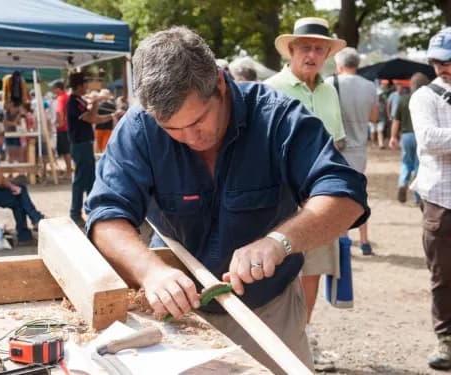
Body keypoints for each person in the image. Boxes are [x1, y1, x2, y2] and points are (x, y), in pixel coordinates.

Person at [84, 26, 369, 374]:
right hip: (178, 310)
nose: (190, 138)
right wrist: (150, 271)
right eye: (172, 129)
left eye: (198, 121)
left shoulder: (277, 117)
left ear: (220, 83)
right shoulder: (140, 127)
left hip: (269, 309)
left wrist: (279, 241)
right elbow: (105, 216)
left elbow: (345, 195)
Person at [264, 16, 347, 371]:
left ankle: (303, 334)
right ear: (292, 51)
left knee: (313, 270)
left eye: (319, 48)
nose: (312, 54)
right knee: (275, 269)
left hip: (318, 200)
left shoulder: (330, 91)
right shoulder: (270, 89)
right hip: (279, 199)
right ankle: (269, 340)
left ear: (327, 53)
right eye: (306, 47)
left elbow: (338, 143)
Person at [408, 27, 451, 371]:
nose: (442, 67)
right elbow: (430, 139)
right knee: (443, 276)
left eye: (449, 61)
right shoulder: (426, 96)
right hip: (441, 201)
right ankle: (447, 340)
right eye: (437, 61)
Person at [326, 47, 378, 256]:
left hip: (338, 148)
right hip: (360, 149)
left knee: (337, 195)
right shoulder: (369, 86)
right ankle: (364, 241)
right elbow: (374, 118)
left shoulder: (329, 84)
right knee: (359, 194)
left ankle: (343, 240)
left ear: (339, 65)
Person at [66, 72, 118, 226]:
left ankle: (93, 210)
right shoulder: (73, 102)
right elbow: (90, 117)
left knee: (90, 180)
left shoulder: (79, 101)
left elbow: (94, 119)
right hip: (80, 145)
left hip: (85, 144)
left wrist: (112, 115)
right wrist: (95, 103)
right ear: (79, 86)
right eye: (85, 84)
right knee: (81, 180)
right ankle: (75, 213)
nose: (87, 87)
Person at [389, 72, 430, 204]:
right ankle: (418, 196)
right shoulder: (428, 99)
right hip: (421, 136)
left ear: (411, 85)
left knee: (406, 162)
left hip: (406, 136)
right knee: (420, 165)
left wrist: (393, 137)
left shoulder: (403, 99)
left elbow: (396, 121)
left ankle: (402, 183)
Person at [50, 80, 72, 179]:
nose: (52, 90)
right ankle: (68, 171)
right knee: (66, 151)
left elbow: (60, 112)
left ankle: (68, 172)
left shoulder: (61, 98)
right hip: (68, 127)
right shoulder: (67, 97)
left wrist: (59, 124)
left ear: (58, 89)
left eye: (53, 88)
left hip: (63, 128)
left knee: (65, 151)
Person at [95, 89, 117, 153]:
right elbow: (114, 118)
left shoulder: (98, 106)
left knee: (99, 148)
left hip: (99, 128)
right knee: (105, 148)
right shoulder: (112, 106)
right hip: (108, 128)